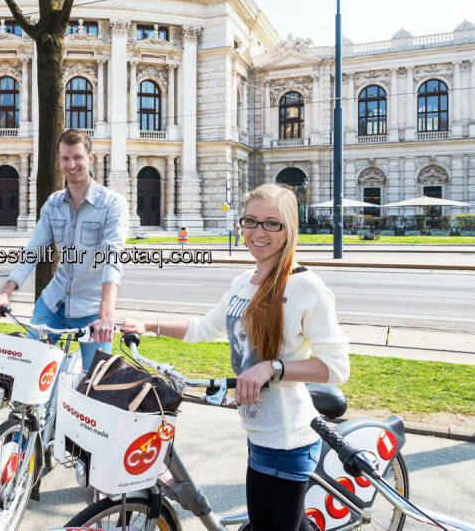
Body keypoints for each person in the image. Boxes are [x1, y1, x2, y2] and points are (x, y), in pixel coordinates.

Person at [123, 183, 349, 531]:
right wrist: (149, 324)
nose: (258, 232)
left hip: (287, 440)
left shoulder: (306, 288)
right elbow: (203, 328)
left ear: (289, 229)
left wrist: (271, 368)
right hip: (257, 431)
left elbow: (335, 367)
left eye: (272, 223)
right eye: (251, 221)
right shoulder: (245, 281)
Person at [0, 129, 129, 369]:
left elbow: (112, 259)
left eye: (77, 157)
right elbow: (33, 250)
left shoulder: (112, 204)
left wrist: (105, 315)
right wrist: (6, 291)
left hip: (92, 310)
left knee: (95, 380)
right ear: (59, 161)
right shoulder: (53, 204)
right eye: (65, 158)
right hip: (53, 303)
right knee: (28, 369)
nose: (71, 164)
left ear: (90, 158)